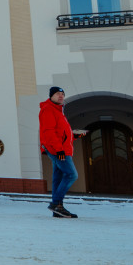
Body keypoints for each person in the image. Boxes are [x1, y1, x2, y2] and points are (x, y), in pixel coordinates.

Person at [39, 86, 86, 218]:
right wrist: (59, 149)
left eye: (62, 94)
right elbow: (48, 132)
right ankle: (55, 204)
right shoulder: (48, 109)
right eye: (58, 94)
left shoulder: (58, 111)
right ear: (51, 96)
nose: (61, 96)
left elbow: (61, 133)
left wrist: (74, 136)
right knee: (71, 175)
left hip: (61, 148)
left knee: (58, 178)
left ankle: (57, 209)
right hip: (57, 150)